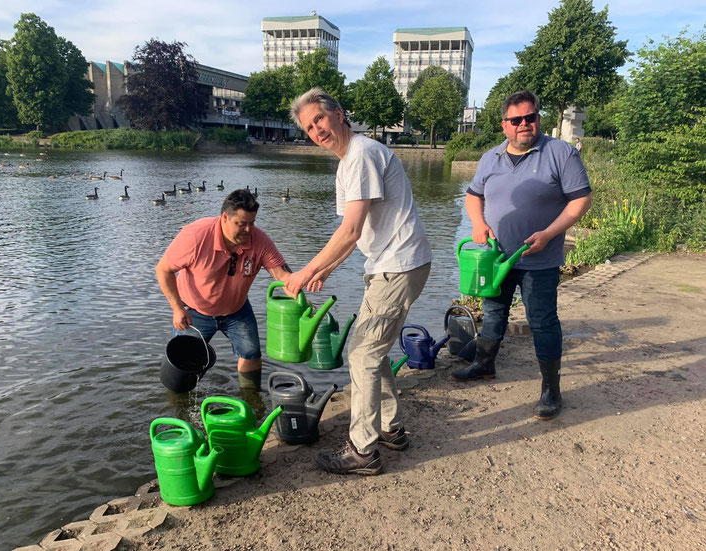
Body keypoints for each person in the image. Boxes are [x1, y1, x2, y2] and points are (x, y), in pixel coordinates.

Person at [286, 87, 432, 476]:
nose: (316, 129)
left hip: (397, 265)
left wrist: (303, 272)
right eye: (308, 126)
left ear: (338, 114)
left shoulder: (362, 153)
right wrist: (325, 269)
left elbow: (350, 231)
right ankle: (390, 427)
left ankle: (362, 451)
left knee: (363, 354)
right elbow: (357, 230)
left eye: (319, 119)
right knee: (371, 349)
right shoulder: (348, 162)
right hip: (394, 263)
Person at [450, 90, 592, 421]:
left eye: (531, 117)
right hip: (496, 257)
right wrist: (478, 222)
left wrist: (549, 233)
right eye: (517, 120)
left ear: (538, 119)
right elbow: (473, 196)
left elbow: (580, 200)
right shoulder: (490, 158)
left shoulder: (561, 153)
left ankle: (550, 390)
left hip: (539, 258)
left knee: (542, 321)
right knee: (494, 310)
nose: (524, 124)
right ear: (505, 126)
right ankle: (485, 365)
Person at [156, 189, 291, 391]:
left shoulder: (259, 240)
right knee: (183, 367)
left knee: (251, 353)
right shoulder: (196, 236)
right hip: (193, 311)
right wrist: (177, 308)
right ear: (225, 217)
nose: (248, 230)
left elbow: (283, 277)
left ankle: (251, 397)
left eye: (251, 223)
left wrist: (302, 300)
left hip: (237, 310)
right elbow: (163, 270)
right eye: (241, 224)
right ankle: (179, 411)